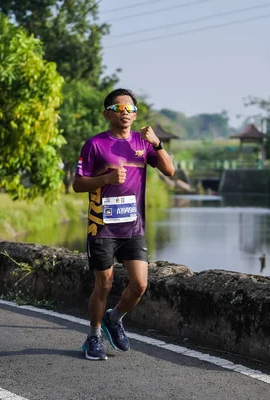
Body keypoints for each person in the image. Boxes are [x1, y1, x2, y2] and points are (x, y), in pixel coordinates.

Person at [72, 88, 175, 361]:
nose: (126, 113)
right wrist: (105, 180)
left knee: (140, 284)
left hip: (134, 226)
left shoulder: (142, 144)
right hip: (102, 226)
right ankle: (93, 338)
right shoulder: (95, 144)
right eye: (119, 109)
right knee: (103, 285)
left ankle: (114, 319)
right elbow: (77, 184)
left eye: (130, 109)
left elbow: (170, 171)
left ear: (136, 114)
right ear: (107, 114)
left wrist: (157, 144)